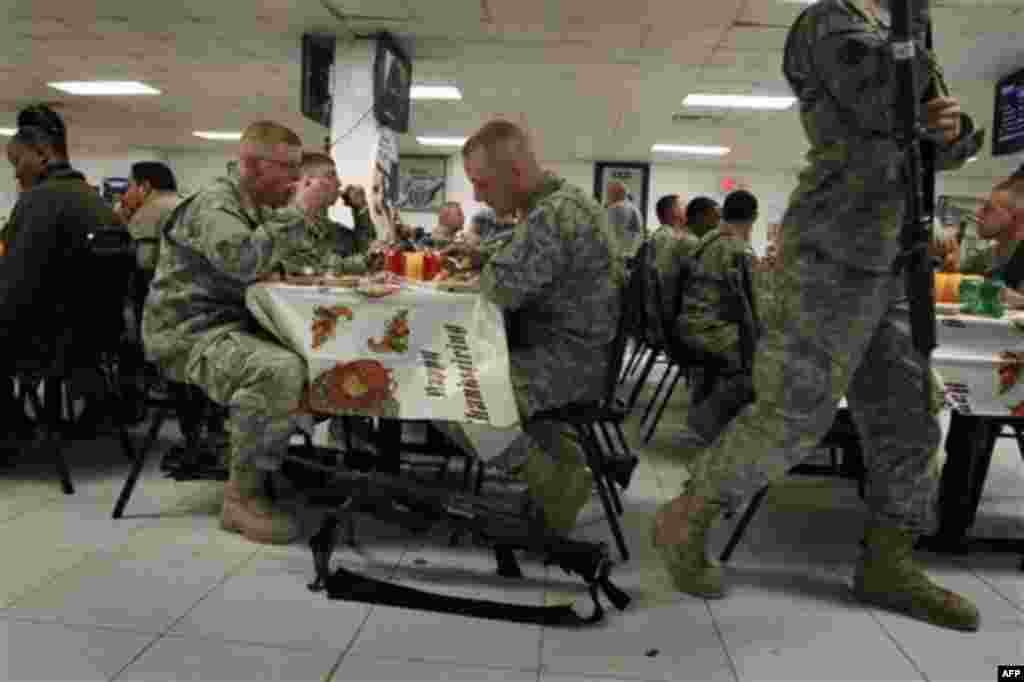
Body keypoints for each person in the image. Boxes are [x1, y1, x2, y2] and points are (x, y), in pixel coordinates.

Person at [650, 0, 987, 632]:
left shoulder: (903, 31)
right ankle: (686, 516)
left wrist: (953, 130)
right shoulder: (829, 22)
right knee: (796, 411)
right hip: (833, 249)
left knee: (911, 417)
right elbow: (886, 102)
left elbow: (933, 142)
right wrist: (921, 79)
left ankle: (888, 562)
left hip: (893, 252)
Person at [143, 120, 356, 546]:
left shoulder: (257, 205)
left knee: (327, 352)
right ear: (253, 166)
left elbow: (288, 258)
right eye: (288, 168)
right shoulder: (214, 206)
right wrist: (298, 211)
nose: (296, 179)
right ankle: (242, 497)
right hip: (188, 334)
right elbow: (244, 261)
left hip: (235, 323)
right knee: (276, 368)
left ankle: (271, 458)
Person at [441, 120, 623, 535]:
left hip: (566, 364)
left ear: (516, 175)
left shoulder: (555, 215)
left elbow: (500, 289)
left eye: (481, 184)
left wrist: (483, 264)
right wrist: (487, 254)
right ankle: (565, 464)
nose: (476, 196)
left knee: (451, 395)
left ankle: (554, 482)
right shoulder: (563, 204)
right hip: (578, 353)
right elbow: (522, 258)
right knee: (466, 381)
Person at [1, 104, 124, 438]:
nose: (15, 174)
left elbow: (14, 288)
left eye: (17, 162)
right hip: (94, 336)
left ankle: (10, 424)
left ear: (41, 154)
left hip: (47, 339)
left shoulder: (38, 202)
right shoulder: (96, 202)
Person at [676, 189, 762, 444]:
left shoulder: (707, 240)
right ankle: (711, 422)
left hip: (688, 325)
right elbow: (754, 307)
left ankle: (707, 415)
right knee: (762, 361)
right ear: (754, 217)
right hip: (710, 331)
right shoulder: (739, 250)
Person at [286, 151, 376, 274]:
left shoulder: (325, 226)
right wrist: (363, 262)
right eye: (330, 175)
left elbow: (365, 251)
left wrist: (360, 209)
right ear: (307, 182)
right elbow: (311, 266)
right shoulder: (285, 223)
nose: (339, 183)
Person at [120, 162, 183, 273]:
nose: (126, 193)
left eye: (129, 186)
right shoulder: (183, 203)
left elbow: (142, 262)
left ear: (144, 187)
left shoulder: (149, 211)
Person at [605, 181, 644, 258]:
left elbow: (609, 233)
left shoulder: (616, 208)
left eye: (609, 193)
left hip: (617, 256)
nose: (608, 196)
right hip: (631, 254)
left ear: (617, 193)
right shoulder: (634, 208)